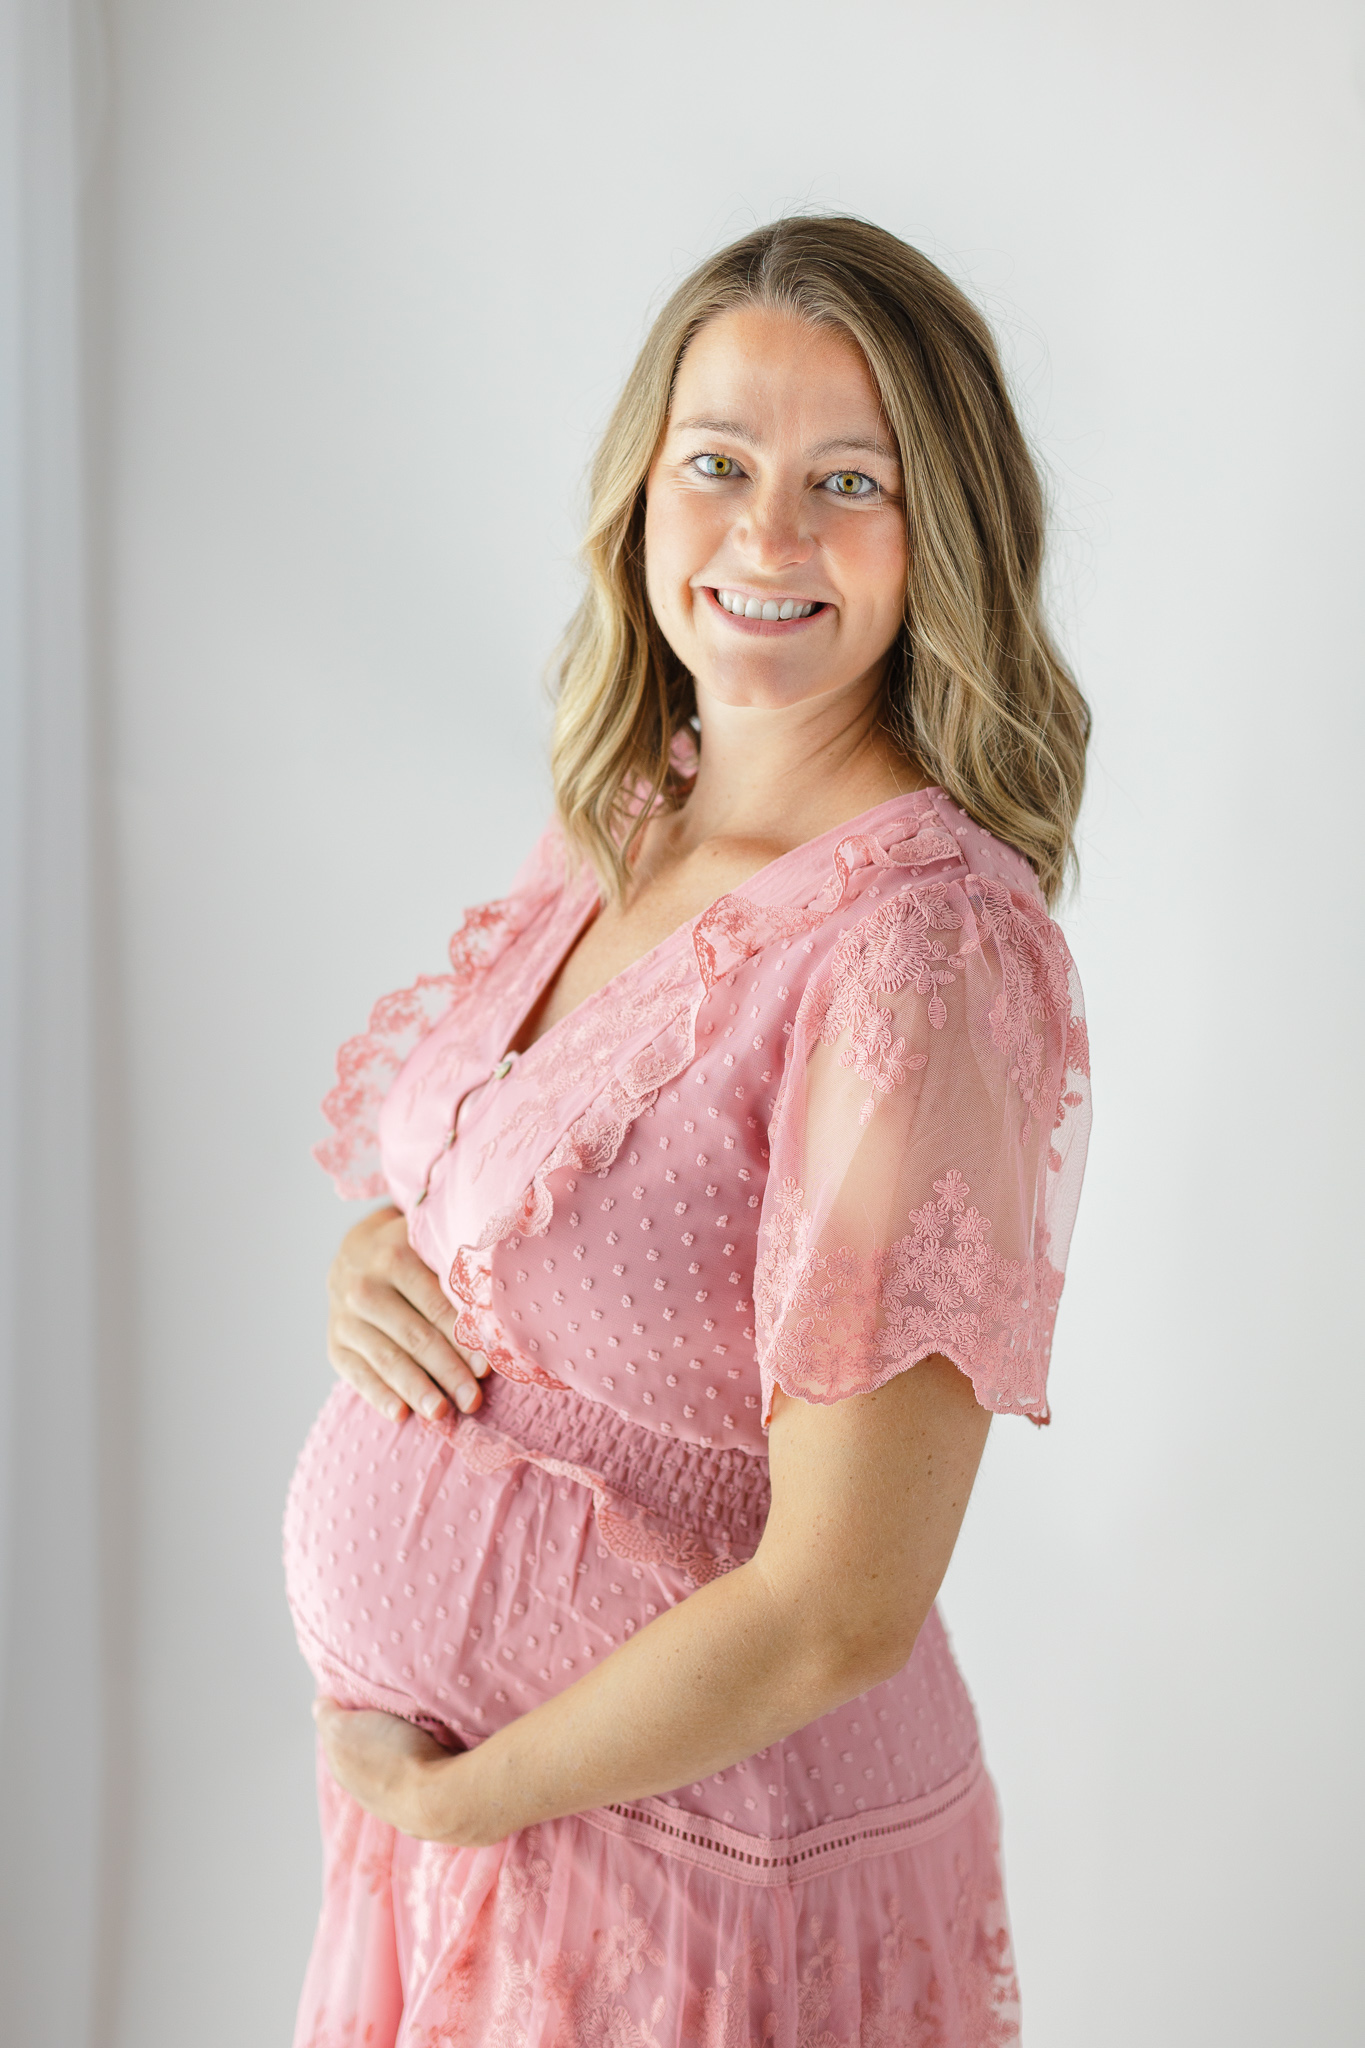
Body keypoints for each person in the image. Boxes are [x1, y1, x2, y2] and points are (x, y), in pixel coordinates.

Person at [284, 213, 1092, 2047]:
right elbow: (521, 1200)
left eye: (848, 483)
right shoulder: (623, 815)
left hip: (703, 1888)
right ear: (640, 492)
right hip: (506, 1862)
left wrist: (461, 1799)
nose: (767, 536)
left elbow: (837, 1609)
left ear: (939, 533)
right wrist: (377, 1269)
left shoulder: (916, 952)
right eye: (717, 464)